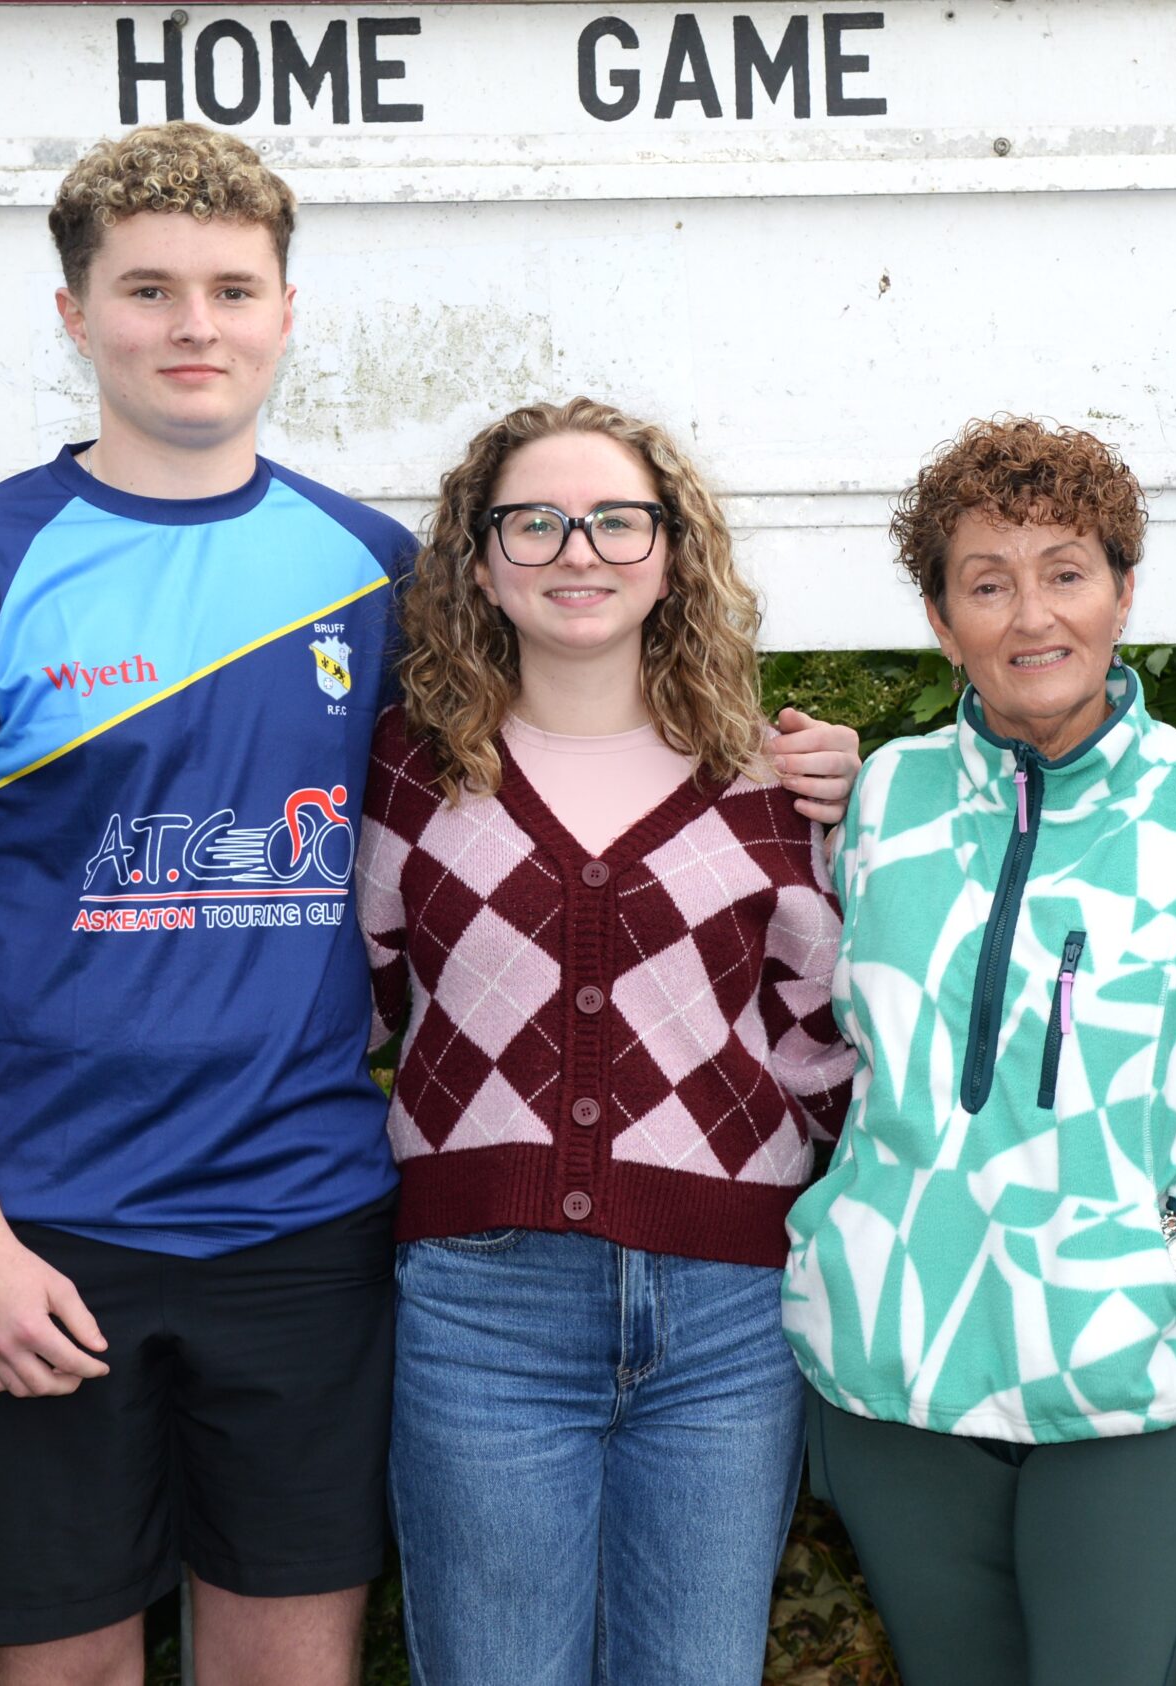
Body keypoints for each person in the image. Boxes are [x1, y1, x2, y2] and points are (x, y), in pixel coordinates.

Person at [0, 123, 862, 1683]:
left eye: (232, 289)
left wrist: (795, 764)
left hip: (306, 1225)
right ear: (74, 315)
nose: (194, 326)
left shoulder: (374, 577)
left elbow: (561, 741)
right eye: (149, 290)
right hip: (44, 1222)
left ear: (286, 313)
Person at [782, 417, 1176, 1686]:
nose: (1032, 615)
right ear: (941, 622)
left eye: (1066, 572)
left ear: (1123, 594)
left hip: (1132, 1373)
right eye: (987, 584)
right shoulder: (879, 801)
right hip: (893, 1377)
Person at [357, 397, 858, 1686]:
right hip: (483, 1308)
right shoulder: (410, 774)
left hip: (728, 1313)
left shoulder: (775, 784)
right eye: (534, 522)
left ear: (671, 555)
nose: (577, 551)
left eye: (616, 521)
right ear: (478, 565)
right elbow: (354, 1009)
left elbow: (824, 1044)